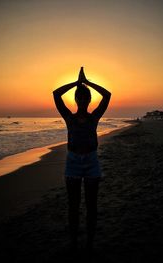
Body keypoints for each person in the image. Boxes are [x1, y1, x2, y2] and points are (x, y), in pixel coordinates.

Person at [53, 67, 111, 253]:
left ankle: (89, 243)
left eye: (86, 97)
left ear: (89, 100)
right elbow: (56, 94)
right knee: (73, 206)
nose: (83, 100)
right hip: (73, 163)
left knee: (91, 206)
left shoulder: (94, 117)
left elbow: (107, 95)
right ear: (76, 99)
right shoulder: (69, 117)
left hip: (92, 162)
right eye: (80, 97)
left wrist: (88, 82)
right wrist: (77, 83)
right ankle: (74, 243)